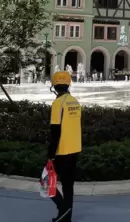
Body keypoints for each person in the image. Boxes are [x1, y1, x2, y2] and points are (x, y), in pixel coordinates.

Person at [47, 71, 82, 222]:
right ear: (68, 84)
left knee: (48, 183)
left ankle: (63, 210)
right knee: (68, 186)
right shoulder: (74, 101)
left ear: (54, 86)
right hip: (74, 149)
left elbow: (55, 131)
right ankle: (67, 217)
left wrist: (50, 155)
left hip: (61, 151)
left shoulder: (57, 104)